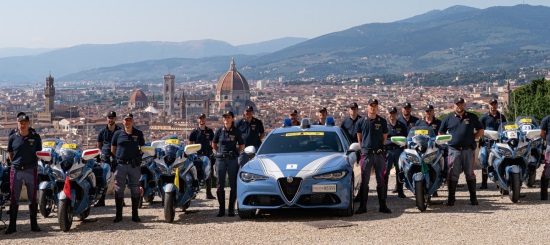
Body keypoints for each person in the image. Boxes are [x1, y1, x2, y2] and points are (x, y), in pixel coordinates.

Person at [439, 98, 484, 206]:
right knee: (452, 174)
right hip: (453, 150)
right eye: (457, 104)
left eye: (461, 104)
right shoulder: (448, 118)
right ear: (454, 105)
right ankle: (451, 199)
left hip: (468, 150)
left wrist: (472, 138)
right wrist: (447, 141)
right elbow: (441, 132)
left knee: (470, 174)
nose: (459, 106)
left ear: (464, 104)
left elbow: (481, 130)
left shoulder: (472, 117)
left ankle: (473, 199)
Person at [5, 115, 42, 234]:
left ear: (29, 124)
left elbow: (39, 152)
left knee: (33, 198)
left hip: (31, 169)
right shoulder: (12, 137)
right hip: (16, 170)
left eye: (25, 122)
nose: (23, 125)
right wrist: (15, 163)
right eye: (21, 123)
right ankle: (12, 226)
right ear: (18, 123)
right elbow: (10, 153)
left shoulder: (36, 137)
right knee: (14, 198)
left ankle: (34, 225)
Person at [355, 99, 391, 214]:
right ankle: (363, 206)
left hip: (379, 154)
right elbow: (359, 138)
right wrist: (364, 149)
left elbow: (384, 138)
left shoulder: (382, 121)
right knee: (364, 180)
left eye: (375, 106)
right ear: (367, 107)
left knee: (381, 179)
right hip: (366, 154)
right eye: (371, 106)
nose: (373, 108)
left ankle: (383, 205)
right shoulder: (361, 121)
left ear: (377, 107)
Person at [111, 113, 145, 222]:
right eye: (126, 120)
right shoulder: (117, 134)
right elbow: (113, 149)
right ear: (123, 121)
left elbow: (142, 148)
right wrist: (118, 157)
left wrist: (138, 157)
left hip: (133, 165)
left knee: (135, 189)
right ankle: (118, 215)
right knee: (119, 190)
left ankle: (135, 215)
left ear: (133, 121)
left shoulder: (138, 133)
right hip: (120, 165)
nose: (128, 121)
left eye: (130, 119)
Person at [212, 111, 244, 217]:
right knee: (220, 184)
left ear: (232, 119)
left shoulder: (236, 131)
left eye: (228, 117)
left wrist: (235, 153)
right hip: (221, 159)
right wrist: (220, 152)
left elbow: (242, 145)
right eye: (225, 117)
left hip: (232, 159)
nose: (226, 119)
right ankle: (221, 209)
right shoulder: (219, 131)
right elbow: (214, 144)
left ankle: (231, 209)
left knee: (233, 184)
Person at [415, 104, 444, 197]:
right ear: (424, 112)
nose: (428, 112)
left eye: (430, 110)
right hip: (422, 148)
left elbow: (441, 133)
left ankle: (440, 182)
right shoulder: (419, 123)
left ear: (433, 111)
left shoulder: (439, 123)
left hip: (434, 148)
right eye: (427, 111)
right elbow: (414, 136)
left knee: (438, 166)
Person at [94, 111, 121, 207]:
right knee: (104, 177)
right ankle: (102, 200)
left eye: (112, 117)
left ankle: (120, 200)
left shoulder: (120, 131)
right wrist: (104, 153)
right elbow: (99, 145)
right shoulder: (102, 132)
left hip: (117, 157)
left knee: (119, 179)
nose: (111, 119)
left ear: (115, 119)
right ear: (107, 119)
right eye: (109, 117)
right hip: (105, 157)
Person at [479, 99, 506, 189]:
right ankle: (484, 183)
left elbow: (505, 128)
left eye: (494, 104)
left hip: (498, 143)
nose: (493, 106)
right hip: (487, 143)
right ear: (488, 105)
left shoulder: (502, 117)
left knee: (500, 162)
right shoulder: (484, 117)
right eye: (491, 104)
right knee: (484, 161)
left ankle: (500, 183)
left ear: (497, 105)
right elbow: (479, 129)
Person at [188, 113, 216, 200]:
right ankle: (193, 193)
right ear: (198, 120)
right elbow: (190, 144)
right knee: (195, 174)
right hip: (197, 155)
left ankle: (208, 193)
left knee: (208, 174)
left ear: (205, 120)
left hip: (207, 155)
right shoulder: (194, 132)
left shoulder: (210, 131)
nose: (202, 120)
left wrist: (213, 152)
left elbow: (213, 143)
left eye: (203, 118)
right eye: (200, 118)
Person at [384, 107, 408, 198]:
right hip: (388, 151)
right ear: (388, 114)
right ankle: (384, 192)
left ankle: (400, 191)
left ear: (396, 114)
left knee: (400, 171)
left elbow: (405, 137)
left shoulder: (401, 125)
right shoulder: (385, 125)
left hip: (398, 150)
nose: (392, 115)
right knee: (386, 172)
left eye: (394, 113)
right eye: (390, 113)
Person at [540, 114, 550, 200]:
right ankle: (544, 193)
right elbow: (542, 134)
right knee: (548, 168)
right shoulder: (546, 119)